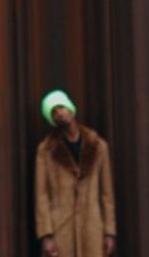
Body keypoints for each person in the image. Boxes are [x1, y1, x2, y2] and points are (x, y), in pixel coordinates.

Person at [34, 90, 116, 256]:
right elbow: (41, 195)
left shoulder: (98, 146)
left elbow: (107, 194)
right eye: (54, 112)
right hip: (61, 230)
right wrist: (46, 235)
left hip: (92, 229)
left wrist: (109, 231)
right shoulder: (46, 150)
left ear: (70, 108)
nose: (60, 114)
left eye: (61, 107)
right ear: (52, 120)